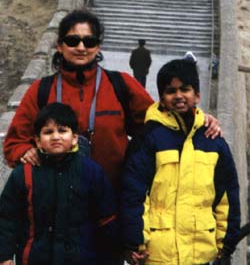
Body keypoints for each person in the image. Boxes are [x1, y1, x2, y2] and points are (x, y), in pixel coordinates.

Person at [4, 10, 154, 191]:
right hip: (56, 199)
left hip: (113, 198)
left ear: (97, 47)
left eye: (89, 42)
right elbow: (14, 142)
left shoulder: (121, 84)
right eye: (73, 41)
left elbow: (158, 125)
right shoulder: (41, 90)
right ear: (60, 46)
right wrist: (25, 152)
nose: (81, 48)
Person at [121, 58, 240, 265]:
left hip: (200, 252)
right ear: (161, 98)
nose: (178, 96)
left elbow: (226, 197)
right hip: (158, 254)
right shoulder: (148, 138)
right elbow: (134, 194)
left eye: (185, 89)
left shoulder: (214, 141)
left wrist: (226, 243)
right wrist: (135, 242)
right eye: (170, 91)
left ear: (197, 95)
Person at [0, 103, 117, 265]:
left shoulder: (92, 172)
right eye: (48, 132)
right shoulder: (24, 174)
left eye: (62, 131)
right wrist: (4, 256)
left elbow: (106, 220)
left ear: (75, 138)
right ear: (38, 141)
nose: (56, 137)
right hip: (35, 259)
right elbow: (7, 218)